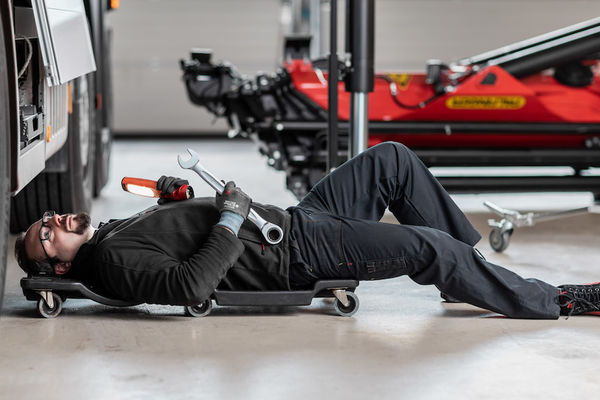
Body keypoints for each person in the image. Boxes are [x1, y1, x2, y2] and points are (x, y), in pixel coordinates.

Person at [13, 142, 600, 318]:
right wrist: (232, 215)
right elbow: (193, 284)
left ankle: (468, 274)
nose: (54, 220)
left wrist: (178, 199)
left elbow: (179, 239)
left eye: (48, 219)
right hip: (295, 252)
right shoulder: (111, 263)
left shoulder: (110, 234)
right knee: (432, 247)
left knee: (392, 160)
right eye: (47, 235)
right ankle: (556, 300)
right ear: (59, 267)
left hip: (294, 221)